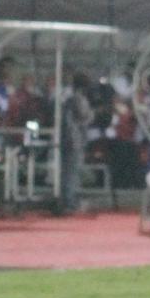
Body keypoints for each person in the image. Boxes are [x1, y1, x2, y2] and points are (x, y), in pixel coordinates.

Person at [59, 72, 93, 215]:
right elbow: (84, 116)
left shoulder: (69, 98)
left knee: (68, 172)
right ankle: (70, 202)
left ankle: (68, 200)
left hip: (69, 139)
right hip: (74, 139)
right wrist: (93, 113)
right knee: (71, 172)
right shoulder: (78, 99)